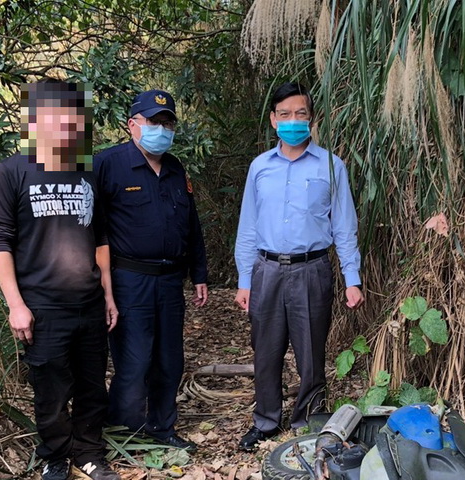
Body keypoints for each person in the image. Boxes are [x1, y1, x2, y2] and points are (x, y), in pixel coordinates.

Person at [0, 79, 121, 480]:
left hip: (88, 302)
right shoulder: (9, 173)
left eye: (73, 116)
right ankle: (55, 458)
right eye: (56, 115)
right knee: (51, 389)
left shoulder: (85, 171)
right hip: (42, 306)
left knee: (93, 384)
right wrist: (15, 304)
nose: (66, 124)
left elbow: (99, 239)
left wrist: (108, 295)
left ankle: (89, 453)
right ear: (34, 119)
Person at [234, 82, 364, 452]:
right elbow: (248, 227)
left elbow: (344, 225)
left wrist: (351, 278)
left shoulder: (330, 165)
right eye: (285, 115)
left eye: (301, 114)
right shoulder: (260, 168)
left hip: (313, 269)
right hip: (267, 270)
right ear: (274, 120)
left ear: (312, 118)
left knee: (311, 351)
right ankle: (266, 421)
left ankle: (308, 421)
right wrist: (245, 280)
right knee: (266, 350)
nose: (293, 121)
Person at [94, 89, 208, 451]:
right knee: (134, 358)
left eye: (167, 122)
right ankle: (124, 431)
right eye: (153, 122)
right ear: (132, 125)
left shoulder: (175, 168)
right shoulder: (107, 164)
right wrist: (100, 284)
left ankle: (162, 426)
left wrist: (199, 273)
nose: (161, 128)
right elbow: (90, 228)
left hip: (170, 280)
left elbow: (191, 225)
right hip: (130, 278)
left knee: (169, 358)